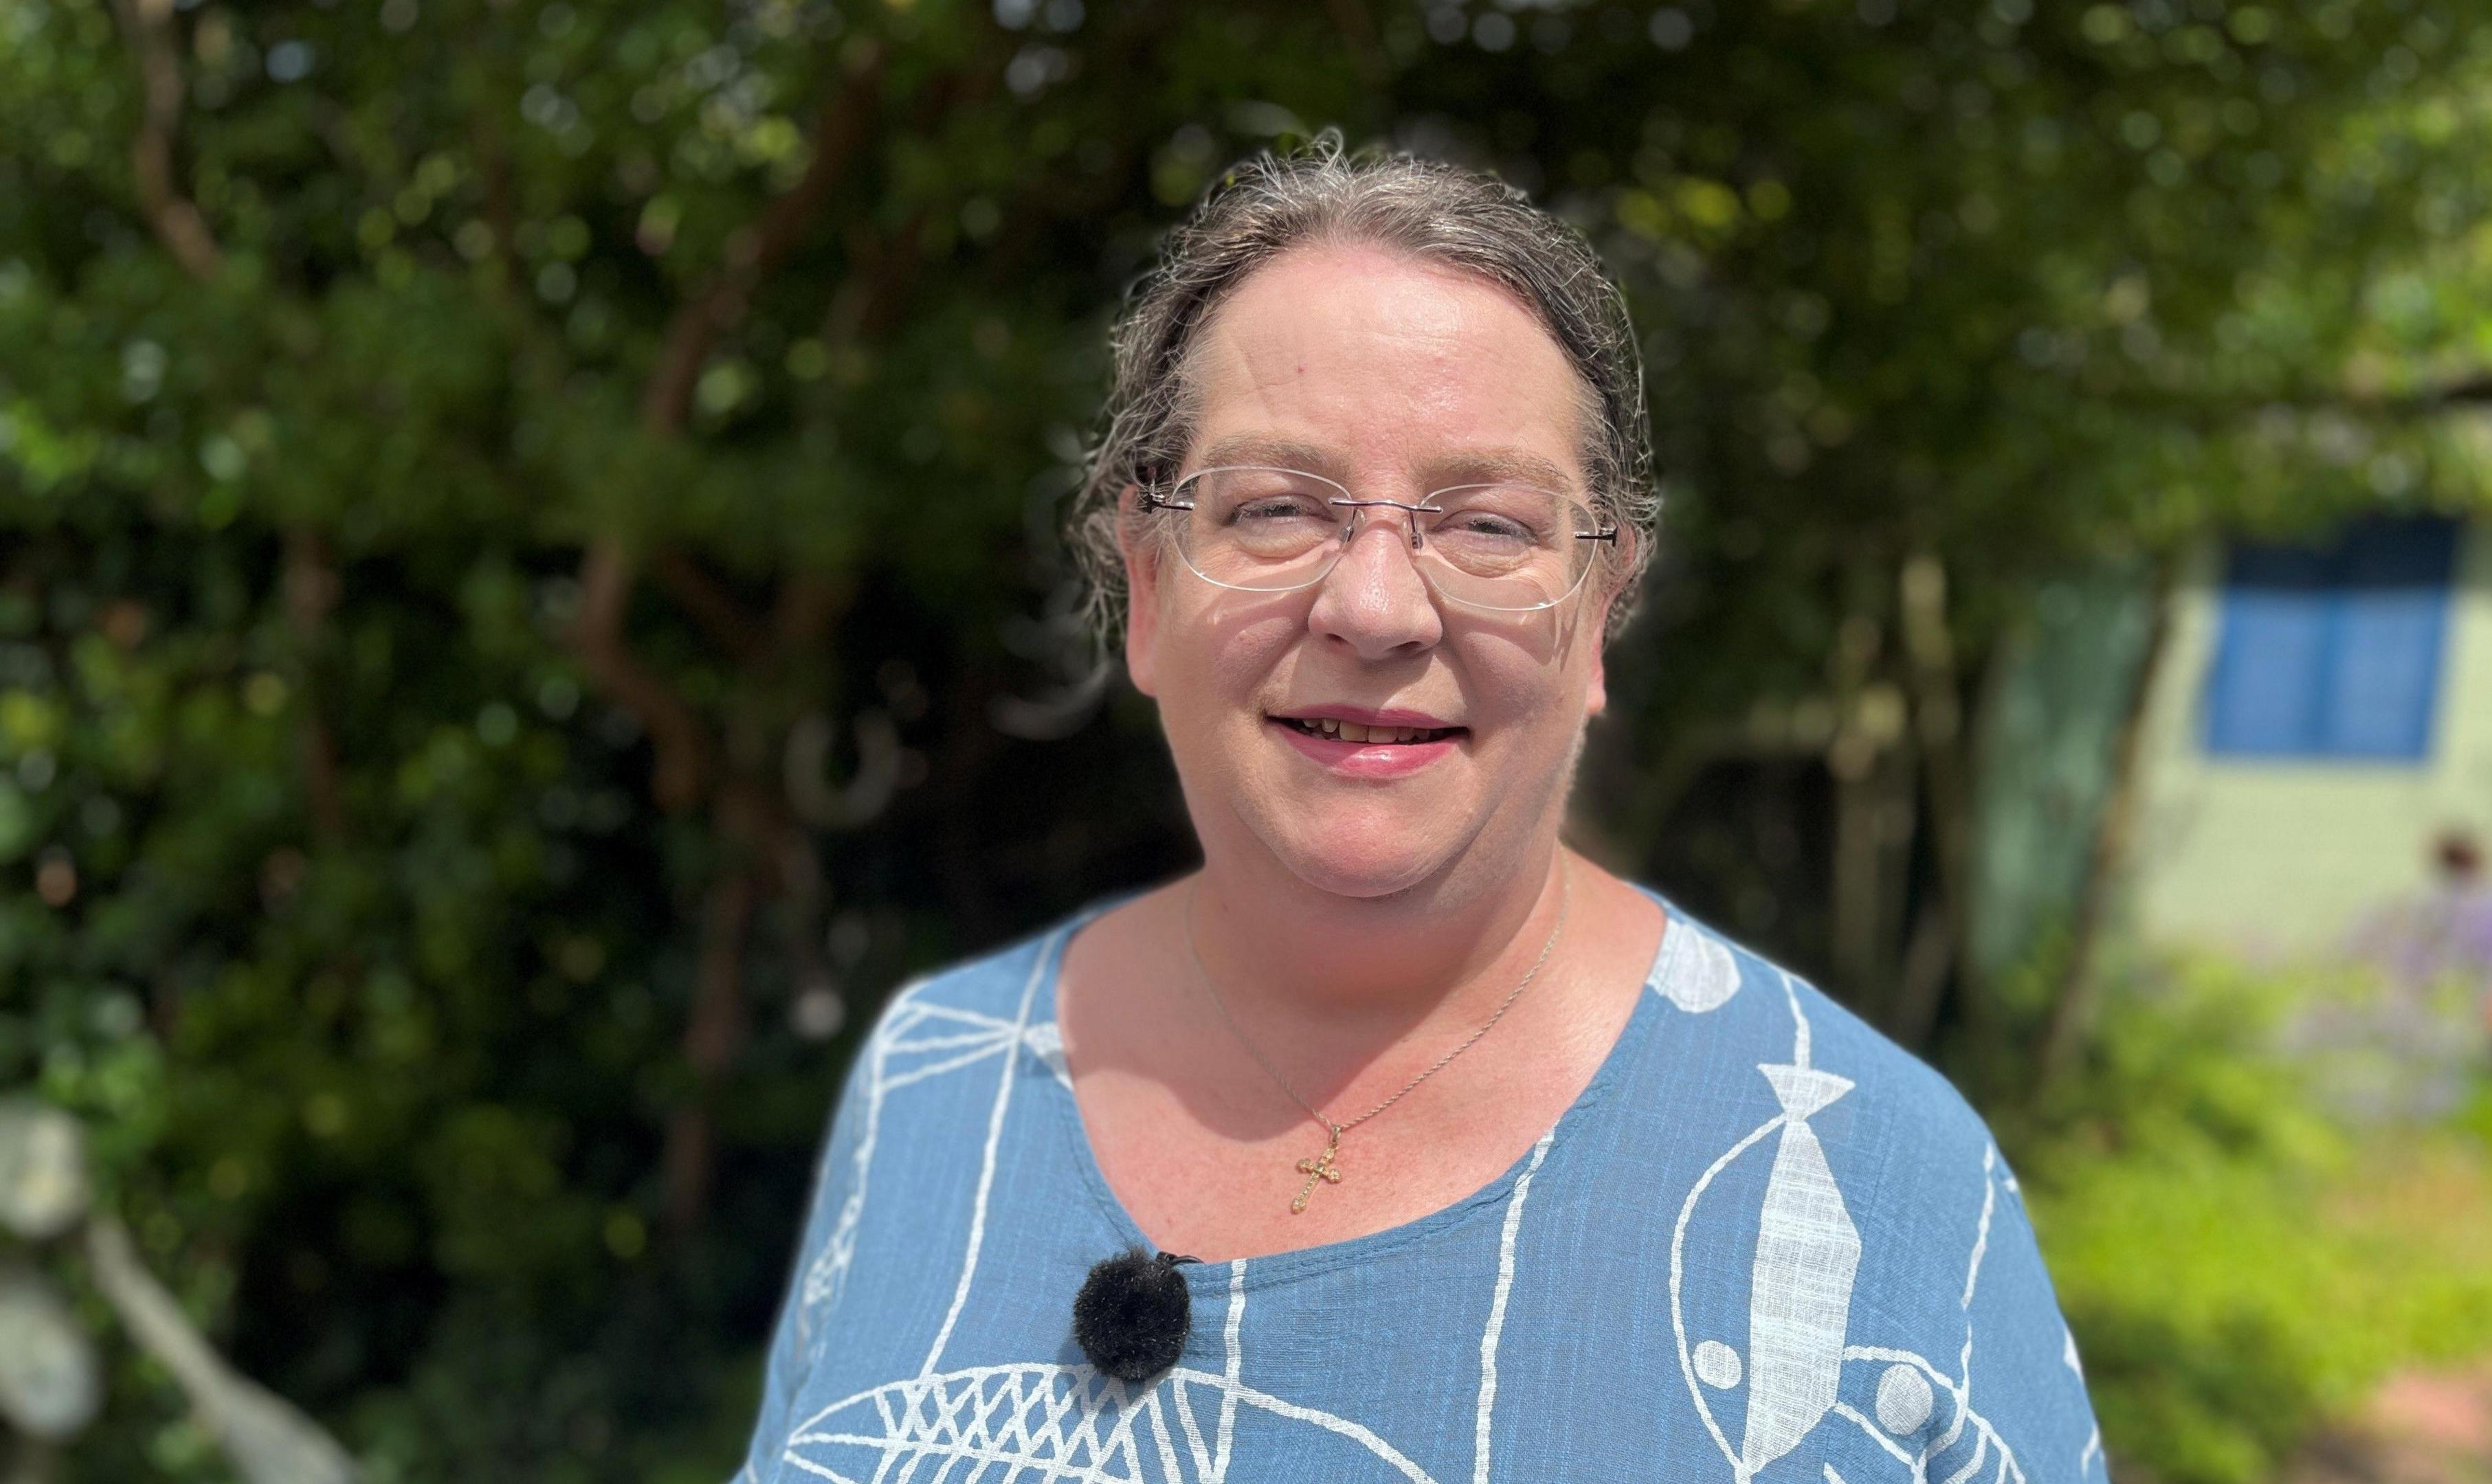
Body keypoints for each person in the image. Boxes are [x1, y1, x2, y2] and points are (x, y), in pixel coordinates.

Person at [731, 141, 2104, 1483]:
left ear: (1600, 616)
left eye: (1490, 526)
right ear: (1149, 593)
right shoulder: (937, 1076)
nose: (1376, 608)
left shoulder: (1883, 1179)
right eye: (1275, 508)